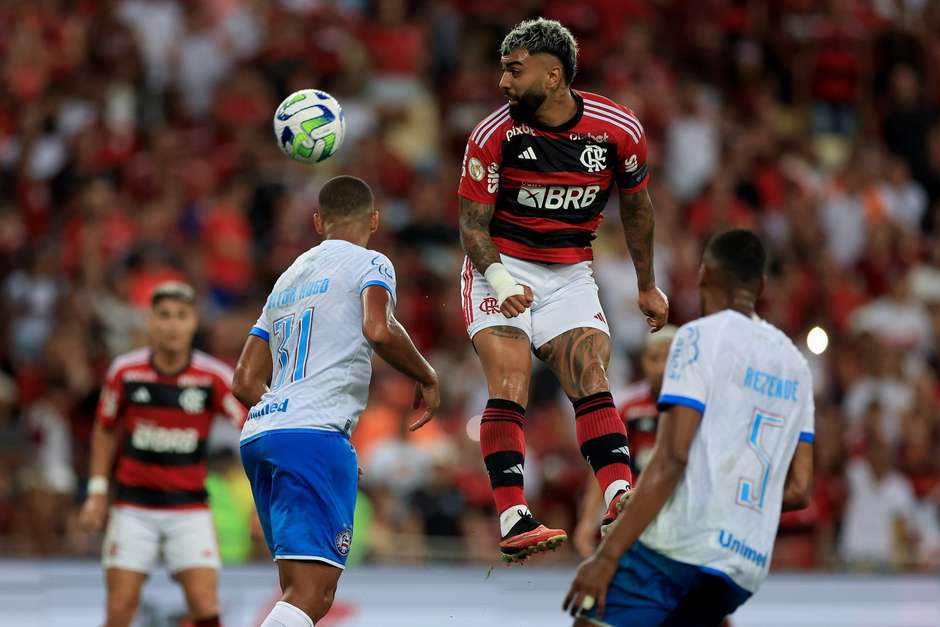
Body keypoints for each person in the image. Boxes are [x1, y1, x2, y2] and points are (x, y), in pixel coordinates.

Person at [457, 17, 669, 562]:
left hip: (571, 271)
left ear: (553, 76)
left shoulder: (616, 129)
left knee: (589, 374)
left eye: (513, 70)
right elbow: (472, 226)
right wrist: (501, 281)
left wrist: (647, 285)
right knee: (510, 379)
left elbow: (638, 205)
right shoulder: (493, 133)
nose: (502, 82)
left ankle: (620, 494)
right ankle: (512, 516)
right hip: (498, 265)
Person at [563, 229, 815, 626]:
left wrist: (607, 556)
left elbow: (672, 457)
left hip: (683, 544)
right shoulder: (796, 365)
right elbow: (800, 490)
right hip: (743, 564)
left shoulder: (697, 338)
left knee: (591, 617)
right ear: (762, 285)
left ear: (704, 275)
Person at [232, 175, 439, 627]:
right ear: (375, 220)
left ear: (317, 221)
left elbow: (244, 379)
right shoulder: (371, 262)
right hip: (309, 437)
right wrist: (426, 374)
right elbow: (379, 327)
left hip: (262, 434)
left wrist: (289, 417)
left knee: (295, 589)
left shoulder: (286, 280)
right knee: (313, 594)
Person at [78, 281, 247, 627]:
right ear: (150, 322)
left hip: (189, 509)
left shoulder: (212, 377)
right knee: (120, 609)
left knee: (205, 605)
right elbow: (105, 428)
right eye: (164, 315)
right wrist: (97, 491)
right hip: (133, 509)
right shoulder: (125, 372)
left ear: (193, 322)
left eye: (181, 316)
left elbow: (251, 424)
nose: (172, 325)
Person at [573, 326, 676, 557]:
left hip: (680, 512)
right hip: (636, 512)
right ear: (643, 362)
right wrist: (587, 521)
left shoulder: (697, 409)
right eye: (654, 359)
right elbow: (603, 464)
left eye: (670, 358)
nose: (662, 368)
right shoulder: (629, 408)